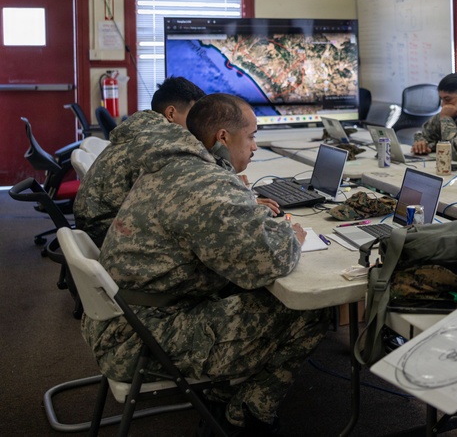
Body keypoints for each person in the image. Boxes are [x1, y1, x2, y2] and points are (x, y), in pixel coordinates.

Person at [82, 93, 327, 434]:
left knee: (242, 287)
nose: (255, 147)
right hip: (139, 341)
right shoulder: (201, 183)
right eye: (252, 136)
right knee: (309, 308)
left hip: (128, 319)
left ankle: (223, 395)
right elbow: (271, 258)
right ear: (223, 137)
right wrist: (290, 234)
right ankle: (244, 417)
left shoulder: (180, 165)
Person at [73, 77, 207, 245]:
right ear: (171, 113)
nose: (199, 125)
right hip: (107, 234)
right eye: (194, 117)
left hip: (100, 225)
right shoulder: (156, 140)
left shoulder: (142, 129)